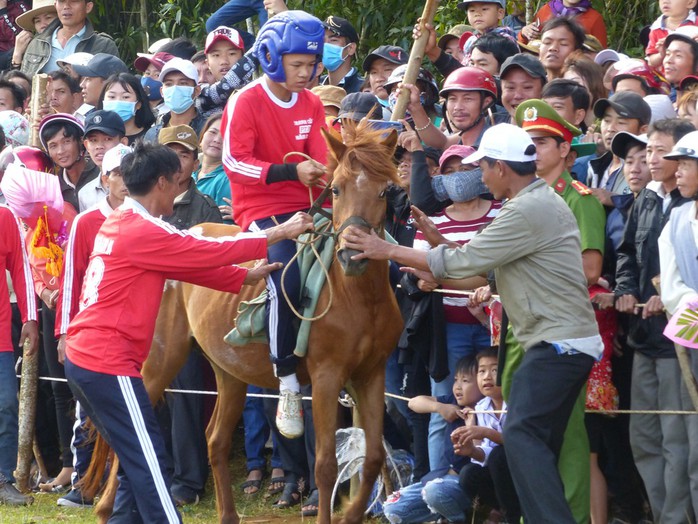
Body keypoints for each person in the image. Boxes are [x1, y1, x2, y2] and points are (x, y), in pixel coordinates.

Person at [343, 123, 603, 524]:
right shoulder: (536, 203)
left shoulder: (525, 210)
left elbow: (465, 265)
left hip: (556, 344)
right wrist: (438, 241)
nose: (479, 176)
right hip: (559, 343)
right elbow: (482, 273)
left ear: (501, 167)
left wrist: (385, 249)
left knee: (520, 438)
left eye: (483, 166)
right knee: (527, 443)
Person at [63, 140, 313, 523]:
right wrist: (281, 232)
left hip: (88, 359)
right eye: (179, 181)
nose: (180, 190)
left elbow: (183, 266)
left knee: (135, 461)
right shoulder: (145, 230)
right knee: (150, 465)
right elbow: (204, 249)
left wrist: (244, 276)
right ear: (163, 183)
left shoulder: (118, 221)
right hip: (107, 362)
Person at [221, 10, 327, 439]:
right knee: (287, 272)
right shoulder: (244, 100)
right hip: (260, 211)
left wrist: (331, 174)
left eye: (311, 64)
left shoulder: (314, 103)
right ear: (270, 57)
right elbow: (233, 161)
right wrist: (289, 175)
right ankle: (286, 378)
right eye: (297, 64)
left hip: (312, 207)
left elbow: (322, 154)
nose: (306, 73)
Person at [614, 118, 695, 524]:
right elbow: (627, 253)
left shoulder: (691, 203)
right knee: (643, 435)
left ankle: (677, 518)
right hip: (642, 336)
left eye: (662, 151)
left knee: (676, 438)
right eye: (649, 151)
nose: (652, 159)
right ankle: (661, 512)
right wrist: (627, 289)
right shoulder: (645, 198)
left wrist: (668, 298)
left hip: (679, 339)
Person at [54, 143, 132, 508]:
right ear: (105, 179)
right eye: (118, 173)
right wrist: (65, 332)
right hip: (91, 332)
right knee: (87, 410)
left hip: (136, 331)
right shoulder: (86, 222)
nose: (125, 180)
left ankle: (125, 487)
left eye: (131, 172)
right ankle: (85, 482)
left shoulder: (148, 219)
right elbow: (72, 279)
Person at [382, 356, 482, 524]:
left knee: (434, 492)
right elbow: (414, 403)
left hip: (465, 484)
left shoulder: (486, 409)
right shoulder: (452, 401)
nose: (458, 386)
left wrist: (472, 427)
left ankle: (456, 519)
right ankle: (441, 513)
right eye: (456, 380)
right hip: (442, 477)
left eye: (465, 381)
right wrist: (440, 408)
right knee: (393, 509)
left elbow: (481, 454)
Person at [659, 129, 698, 520]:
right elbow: (670, 285)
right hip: (693, 336)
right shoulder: (677, 217)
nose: (679, 172)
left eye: (687, 164)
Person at [0, 204, 38, 506]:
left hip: (1, 336)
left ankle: (3, 479)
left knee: (6, 404)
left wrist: (29, 317)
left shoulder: (4, 217)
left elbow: (22, 267)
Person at [454, 348, 520, 523]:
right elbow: (484, 456)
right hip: (501, 475)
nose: (487, 377)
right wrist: (471, 450)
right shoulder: (481, 407)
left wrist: (485, 432)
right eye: (481, 371)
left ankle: (515, 517)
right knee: (469, 473)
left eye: (495, 370)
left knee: (500, 455)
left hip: (524, 471)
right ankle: (502, 512)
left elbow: (520, 443)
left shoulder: (518, 401)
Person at [21, 0, 119, 76]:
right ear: (56, 6)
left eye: (74, 1)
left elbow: (111, 87)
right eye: (62, 1)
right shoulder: (37, 44)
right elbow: (24, 87)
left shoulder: (103, 45)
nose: (66, 6)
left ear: (88, 7)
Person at [39, 112, 99, 212]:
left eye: (66, 141)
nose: (60, 151)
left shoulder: (100, 174)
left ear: (81, 142)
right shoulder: (53, 187)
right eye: (53, 146)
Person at [145, 57, 206, 141]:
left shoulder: (207, 130)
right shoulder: (152, 135)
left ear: (196, 90)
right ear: (162, 91)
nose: (175, 89)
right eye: (169, 84)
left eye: (183, 83)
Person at [77, 109, 127, 211]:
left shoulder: (141, 186)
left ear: (123, 143)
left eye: (108, 139)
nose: (99, 146)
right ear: (86, 145)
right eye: (93, 140)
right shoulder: (85, 194)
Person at [97, 73, 156, 145]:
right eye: (112, 97)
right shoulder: (95, 135)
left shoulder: (151, 137)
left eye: (125, 97)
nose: (118, 102)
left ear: (138, 104)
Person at [193, 113, 232, 221]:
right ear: (201, 138)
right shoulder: (191, 173)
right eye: (213, 132)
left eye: (225, 135)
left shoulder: (226, 180)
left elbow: (221, 228)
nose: (217, 140)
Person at [519, 0, 607, 48]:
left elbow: (599, 54)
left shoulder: (595, 18)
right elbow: (528, 45)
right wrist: (524, 33)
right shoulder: (545, 10)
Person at [457, 0, 516, 64]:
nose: (477, 14)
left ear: (500, 13)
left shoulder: (505, 41)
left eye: (484, 9)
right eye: (472, 10)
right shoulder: (471, 41)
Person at [646, 0, 698, 69]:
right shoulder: (656, 28)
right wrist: (662, 54)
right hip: (665, 77)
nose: (665, 1)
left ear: (690, 3)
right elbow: (651, 62)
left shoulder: (696, 24)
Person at [320, 15, 363, 93]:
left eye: (333, 40)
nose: (325, 45)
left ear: (350, 48)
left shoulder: (362, 89)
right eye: (322, 41)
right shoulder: (315, 87)